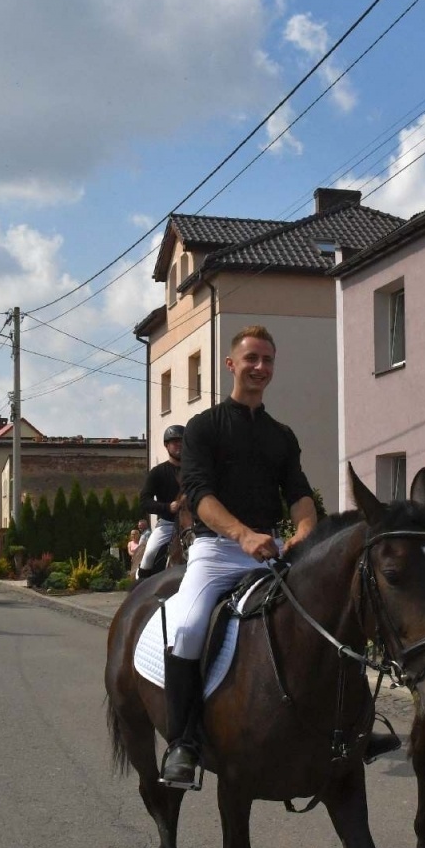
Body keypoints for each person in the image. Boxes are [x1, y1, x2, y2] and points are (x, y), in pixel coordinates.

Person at [156, 326, 320, 789]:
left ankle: (338, 729)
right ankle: (182, 743)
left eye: (267, 360)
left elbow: (300, 494)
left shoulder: (281, 436)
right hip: (216, 551)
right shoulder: (204, 429)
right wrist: (242, 534)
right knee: (188, 627)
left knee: (318, 619)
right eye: (251, 359)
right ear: (231, 364)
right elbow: (200, 495)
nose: (260, 368)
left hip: (268, 552)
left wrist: (305, 530)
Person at [137, 425, 186, 581]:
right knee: (149, 554)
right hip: (167, 524)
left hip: (192, 526)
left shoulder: (193, 471)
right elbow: (145, 501)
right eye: (175, 442)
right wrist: (167, 507)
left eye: (182, 442)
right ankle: (139, 587)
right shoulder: (158, 472)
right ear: (167, 445)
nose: (179, 445)